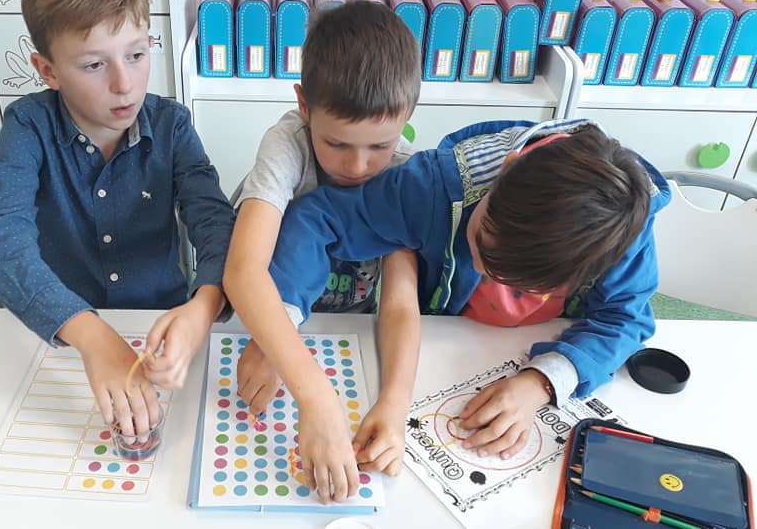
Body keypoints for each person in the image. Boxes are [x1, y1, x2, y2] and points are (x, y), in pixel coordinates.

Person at [264, 119, 671, 501]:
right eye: (481, 238)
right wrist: (280, 323)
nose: (480, 268)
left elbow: (624, 317)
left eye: (517, 281)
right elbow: (318, 217)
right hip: (437, 351)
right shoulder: (433, 186)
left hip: (518, 352)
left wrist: (541, 382)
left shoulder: (619, 232)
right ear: (507, 168)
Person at [0, 0, 235, 442]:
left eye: (136, 54)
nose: (124, 84)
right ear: (48, 71)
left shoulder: (172, 125)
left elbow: (217, 225)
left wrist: (203, 306)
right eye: (94, 65)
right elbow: (0, 244)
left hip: (158, 327)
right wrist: (93, 338)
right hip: (61, 333)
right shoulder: (28, 125)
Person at [222, 0, 423, 504]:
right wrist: (314, 395)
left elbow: (401, 304)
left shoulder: (406, 171)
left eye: (379, 146)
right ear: (305, 105)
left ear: (407, 116)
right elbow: (244, 273)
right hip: (263, 321)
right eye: (336, 144)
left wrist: (395, 403)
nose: (357, 166)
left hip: (352, 335)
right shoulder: (287, 143)